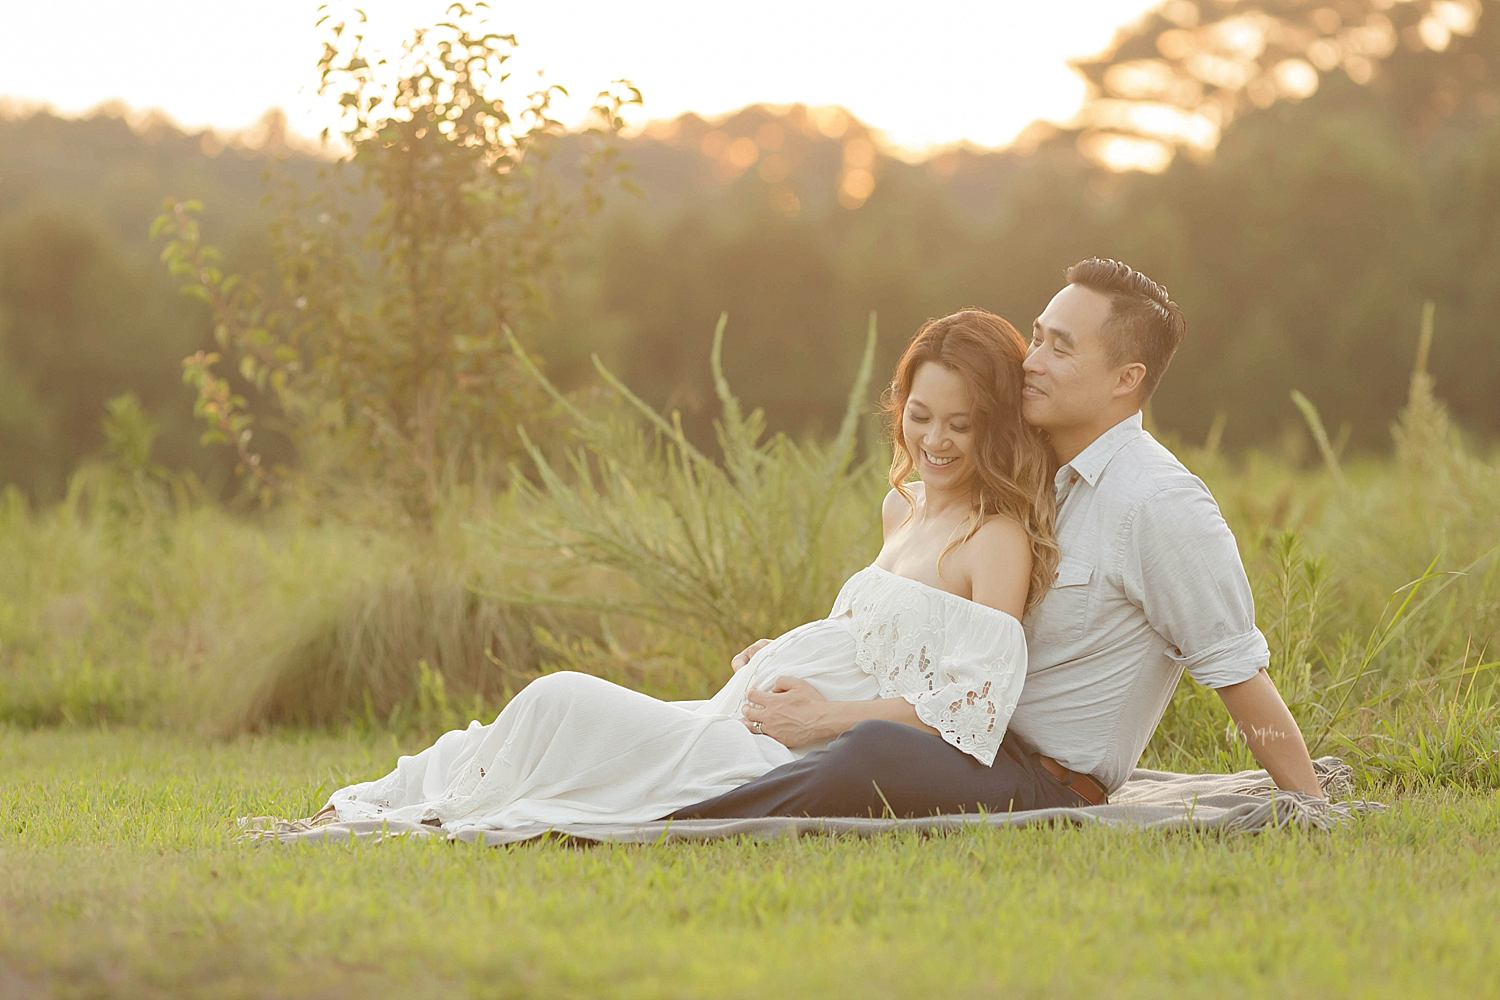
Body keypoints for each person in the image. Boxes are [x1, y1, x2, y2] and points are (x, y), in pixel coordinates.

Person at [317, 308, 1058, 833]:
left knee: (560, 700)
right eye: (920, 414)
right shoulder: (903, 509)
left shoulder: (993, 540)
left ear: (995, 426)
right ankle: (376, 802)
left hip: (781, 750)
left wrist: (824, 718)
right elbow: (875, 639)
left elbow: (975, 702)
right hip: (735, 710)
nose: (935, 439)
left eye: (961, 424)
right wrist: (784, 648)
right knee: (544, 719)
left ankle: (405, 810)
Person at [672, 258, 1325, 821]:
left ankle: (674, 816)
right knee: (820, 734)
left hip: (1040, 782)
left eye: (1059, 349)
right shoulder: (1021, 471)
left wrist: (1314, 805)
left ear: (1126, 379)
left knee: (868, 749)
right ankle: (664, 771)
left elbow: (1238, 672)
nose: (1031, 362)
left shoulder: (1158, 504)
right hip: (950, 743)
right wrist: (803, 657)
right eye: (1037, 338)